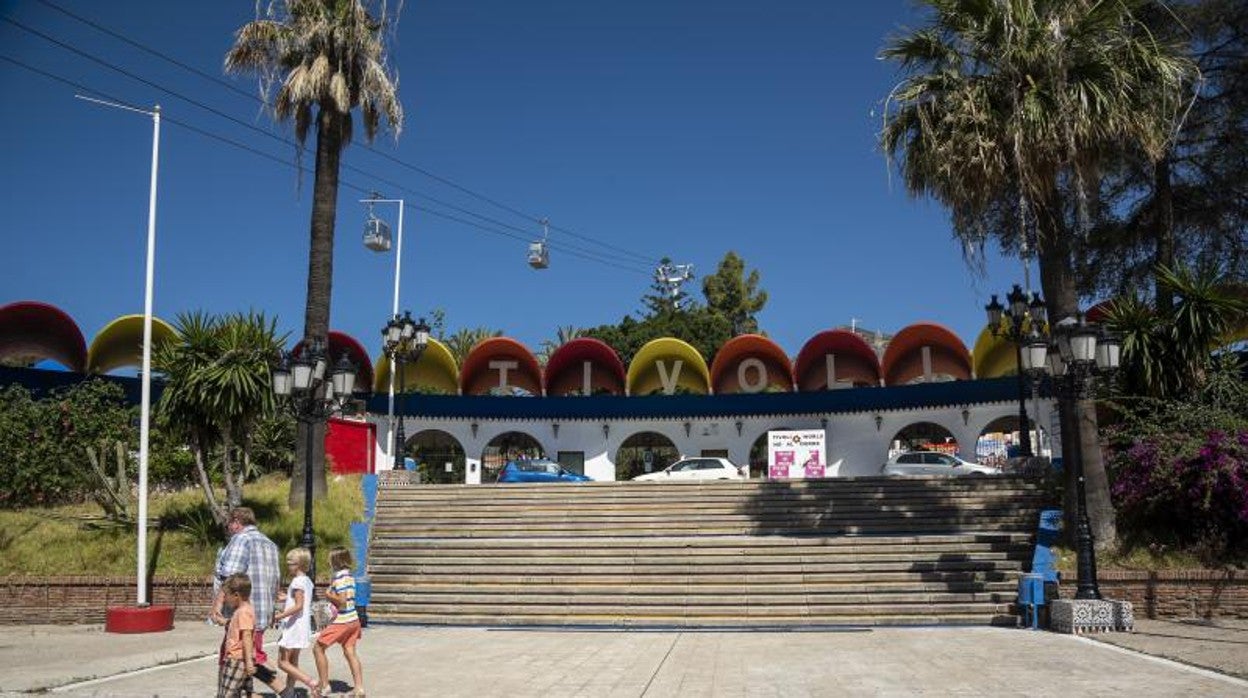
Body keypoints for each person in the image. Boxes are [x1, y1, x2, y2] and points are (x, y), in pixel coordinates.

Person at [211, 507, 286, 696]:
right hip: (261, 612)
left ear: (236, 521)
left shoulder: (241, 539)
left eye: (229, 523)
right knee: (243, 658)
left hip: (242, 612)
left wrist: (217, 607)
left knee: (239, 657)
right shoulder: (270, 544)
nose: (228, 528)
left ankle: (286, 692)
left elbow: (230, 577)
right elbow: (277, 582)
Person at [314, 547, 365, 697]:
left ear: (335, 561)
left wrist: (329, 595)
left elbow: (342, 602)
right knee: (350, 652)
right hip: (353, 619)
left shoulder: (339, 579)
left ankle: (324, 686)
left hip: (342, 621)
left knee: (318, 648)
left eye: (330, 560)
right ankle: (359, 688)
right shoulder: (350, 577)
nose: (328, 562)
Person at [272, 548, 319, 696]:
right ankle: (290, 690)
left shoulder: (297, 581)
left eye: (290, 563)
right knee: (293, 662)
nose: (287, 565)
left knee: (282, 662)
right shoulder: (307, 581)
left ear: (298, 564)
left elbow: (298, 606)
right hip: (302, 626)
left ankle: (310, 681)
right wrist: (287, 597)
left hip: (293, 626)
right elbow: (302, 601)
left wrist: (279, 616)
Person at [217, 574, 257, 698]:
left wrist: (249, 661)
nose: (225, 600)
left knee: (226, 694)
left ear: (236, 595)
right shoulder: (243, 610)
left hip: (236, 660)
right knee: (245, 694)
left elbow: (247, 636)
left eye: (226, 596)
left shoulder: (243, 612)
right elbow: (239, 629)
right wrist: (225, 622)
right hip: (242, 659)